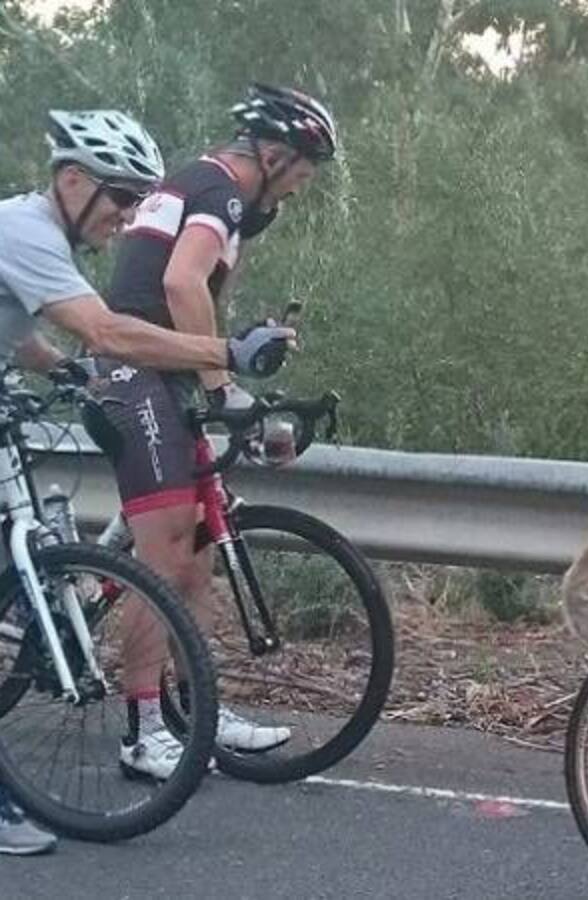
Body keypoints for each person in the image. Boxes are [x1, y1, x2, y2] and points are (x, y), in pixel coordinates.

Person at [0, 109, 293, 854]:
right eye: (121, 198)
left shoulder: (36, 237)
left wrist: (60, 367)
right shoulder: (28, 228)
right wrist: (221, 350)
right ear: (71, 180)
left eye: (137, 201)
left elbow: (21, 331)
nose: (131, 216)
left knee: (20, 554)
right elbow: (108, 331)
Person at [91, 84, 338, 780]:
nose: (296, 192)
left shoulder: (204, 184)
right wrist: (221, 387)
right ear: (273, 153)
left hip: (161, 370)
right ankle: (143, 730)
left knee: (198, 556)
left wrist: (228, 377)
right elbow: (180, 284)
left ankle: (196, 711)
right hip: (136, 370)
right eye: (299, 175)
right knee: (164, 560)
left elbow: (200, 306)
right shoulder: (224, 190)